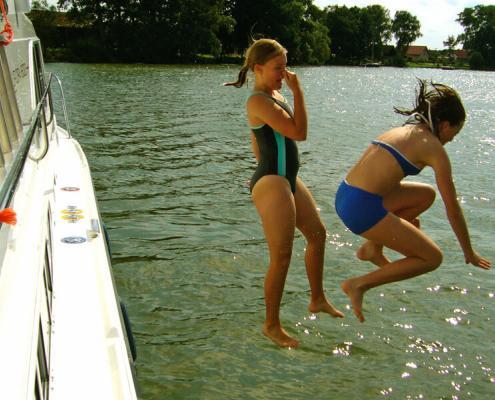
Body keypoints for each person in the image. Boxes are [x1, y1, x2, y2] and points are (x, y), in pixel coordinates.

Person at [334, 79, 491, 323]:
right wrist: (468, 251)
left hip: (345, 194)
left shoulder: (404, 131)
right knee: (432, 258)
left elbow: (385, 180)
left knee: (426, 195)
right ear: (444, 124)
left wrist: (398, 221)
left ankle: (372, 247)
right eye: (454, 133)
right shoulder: (434, 148)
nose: (452, 139)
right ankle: (358, 285)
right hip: (360, 208)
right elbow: (453, 210)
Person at [225, 38, 343, 347]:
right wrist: (299, 92)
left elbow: (257, 142)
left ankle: (317, 298)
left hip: (287, 177)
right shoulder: (258, 101)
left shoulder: (275, 95)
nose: (284, 73)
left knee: (317, 234)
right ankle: (271, 325)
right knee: (282, 255)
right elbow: (299, 133)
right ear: (258, 68)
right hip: (272, 180)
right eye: (278, 68)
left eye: (285, 66)